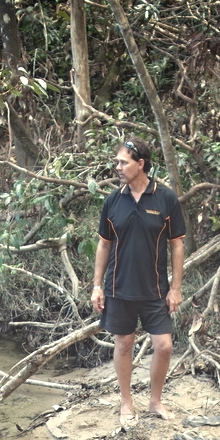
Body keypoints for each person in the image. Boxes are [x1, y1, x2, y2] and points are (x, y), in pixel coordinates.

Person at [91, 137, 186, 424]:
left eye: (123, 162)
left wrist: (176, 288)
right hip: (119, 287)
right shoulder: (113, 201)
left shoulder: (165, 198)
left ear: (140, 164)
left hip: (155, 288)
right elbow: (104, 244)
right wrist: (97, 285)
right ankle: (126, 403)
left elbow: (177, 245)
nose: (117, 167)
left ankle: (155, 401)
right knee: (123, 344)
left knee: (164, 345)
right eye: (117, 161)